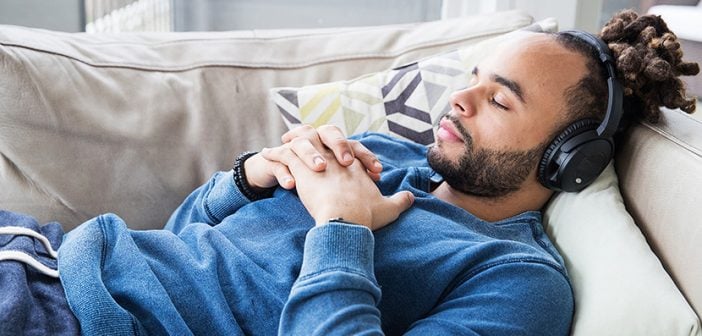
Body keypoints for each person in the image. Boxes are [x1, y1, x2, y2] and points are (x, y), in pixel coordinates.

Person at [0, 10, 698, 336]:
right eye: (473, 76)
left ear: (568, 158)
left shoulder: (517, 284)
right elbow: (185, 243)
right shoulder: (381, 151)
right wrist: (250, 179)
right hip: (54, 257)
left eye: (500, 98)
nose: (459, 97)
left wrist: (341, 227)